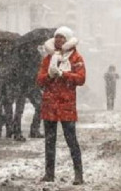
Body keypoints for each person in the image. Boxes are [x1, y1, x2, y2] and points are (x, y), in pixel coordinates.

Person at [36, 26, 86, 185]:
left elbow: (81, 79)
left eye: (62, 38)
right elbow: (39, 81)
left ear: (68, 39)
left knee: (71, 140)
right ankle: (49, 173)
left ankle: (79, 174)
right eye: (57, 37)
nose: (58, 40)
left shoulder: (76, 58)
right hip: (50, 104)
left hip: (66, 105)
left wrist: (64, 74)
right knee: (49, 141)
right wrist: (49, 75)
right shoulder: (48, 58)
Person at [11, 43, 45, 141]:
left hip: (26, 84)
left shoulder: (20, 53)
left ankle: (18, 131)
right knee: (38, 106)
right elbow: (39, 70)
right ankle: (30, 130)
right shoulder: (33, 55)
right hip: (28, 84)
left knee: (21, 109)